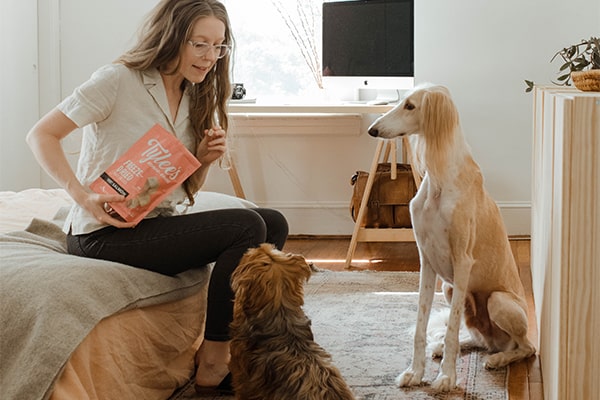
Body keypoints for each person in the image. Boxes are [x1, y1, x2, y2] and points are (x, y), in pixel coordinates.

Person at [26, 0, 288, 395]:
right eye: (200, 44)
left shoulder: (193, 95)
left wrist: (201, 159)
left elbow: (176, 190)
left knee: (273, 223)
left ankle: (250, 345)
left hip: (153, 221)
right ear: (172, 37)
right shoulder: (118, 80)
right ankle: (214, 360)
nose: (210, 57)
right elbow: (41, 135)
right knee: (246, 225)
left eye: (219, 46)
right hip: (102, 233)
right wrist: (82, 196)